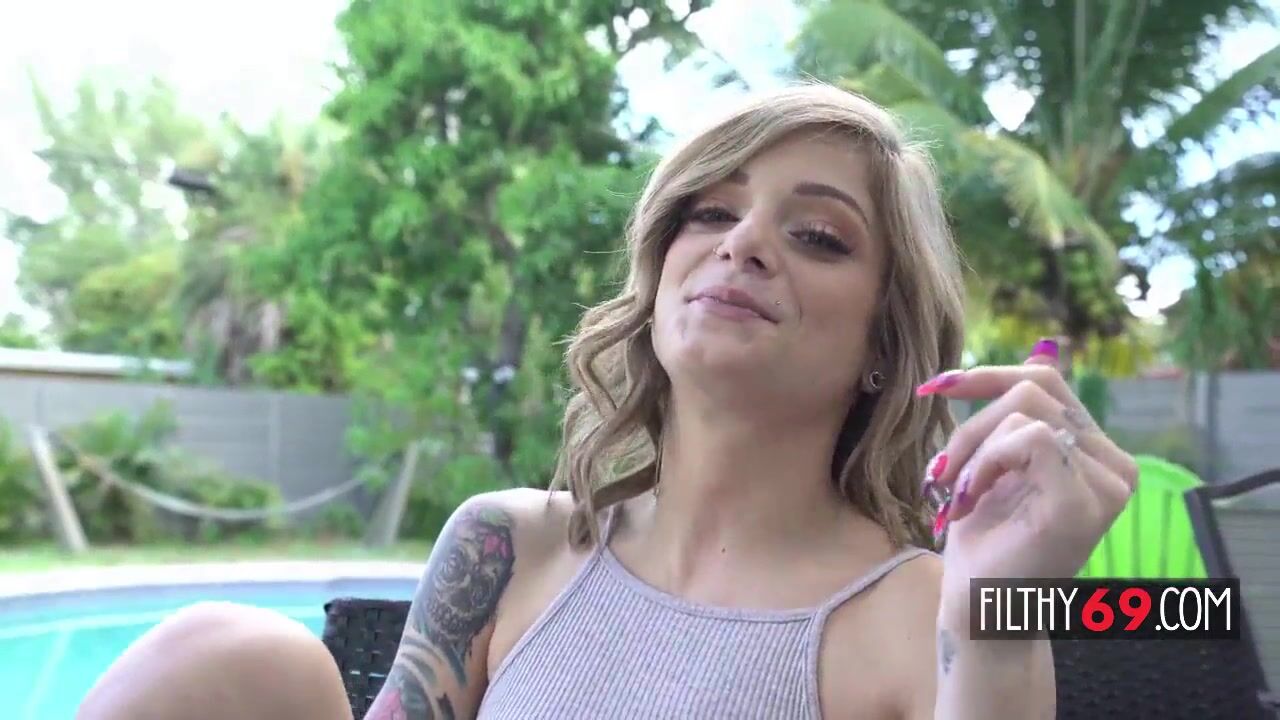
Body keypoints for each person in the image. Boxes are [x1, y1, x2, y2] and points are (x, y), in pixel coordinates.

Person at [77, 81, 1137, 720]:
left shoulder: (925, 614)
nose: (742, 242)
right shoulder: (508, 548)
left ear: (882, 344)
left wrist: (996, 622)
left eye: (817, 236)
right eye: (708, 213)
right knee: (224, 653)